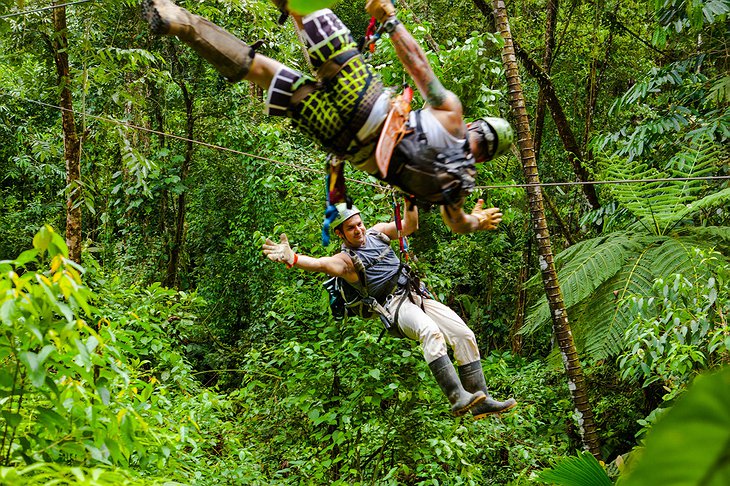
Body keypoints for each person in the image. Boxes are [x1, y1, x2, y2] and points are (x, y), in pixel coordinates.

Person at [142, 0, 514, 234]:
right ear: (485, 156)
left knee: (309, 8)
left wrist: (390, 20)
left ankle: (184, 18)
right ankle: (182, 25)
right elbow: (459, 225)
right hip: (344, 142)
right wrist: (478, 221)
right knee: (263, 72)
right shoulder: (455, 187)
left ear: (475, 127)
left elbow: (418, 64)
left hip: (368, 103)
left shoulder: (453, 117)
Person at [261, 201, 517, 417]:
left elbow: (410, 226)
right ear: (340, 234)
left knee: (464, 335)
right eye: (351, 228)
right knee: (430, 332)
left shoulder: (377, 233)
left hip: (416, 294)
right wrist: (293, 258)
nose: (358, 230)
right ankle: (456, 396)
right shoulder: (345, 262)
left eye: (359, 223)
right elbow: (319, 263)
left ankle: (480, 400)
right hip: (394, 306)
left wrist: (409, 199)